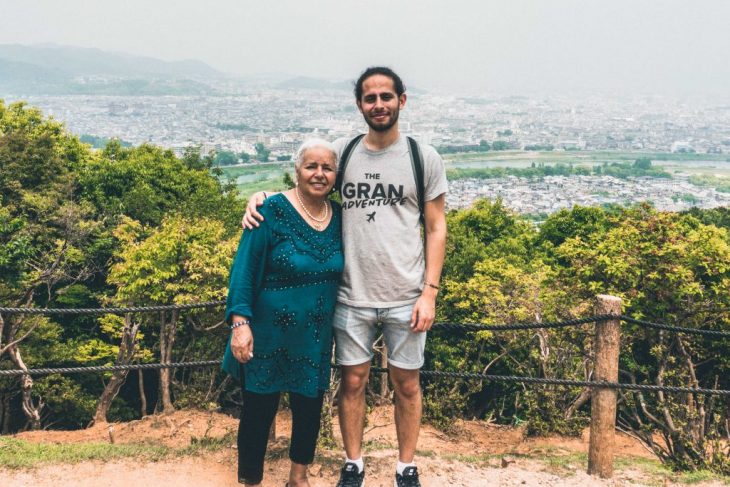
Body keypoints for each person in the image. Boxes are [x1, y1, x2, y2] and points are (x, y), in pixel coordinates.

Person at [244, 66, 447, 487]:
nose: (378, 105)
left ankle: (405, 467)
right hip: (350, 294)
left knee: (407, 383)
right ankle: (353, 463)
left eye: (386, 97)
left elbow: (436, 226)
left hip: (406, 293)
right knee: (352, 381)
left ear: (401, 101)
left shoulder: (421, 157)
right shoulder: (344, 152)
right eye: (370, 98)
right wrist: (260, 197)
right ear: (359, 105)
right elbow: (307, 183)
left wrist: (429, 291)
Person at [223, 138, 344, 487]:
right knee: (258, 411)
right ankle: (250, 480)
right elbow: (244, 270)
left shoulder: (340, 217)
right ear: (297, 170)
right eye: (311, 166)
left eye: (327, 168)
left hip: (315, 336)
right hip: (267, 334)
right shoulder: (270, 211)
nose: (319, 174)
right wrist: (240, 324)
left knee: (309, 408)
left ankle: (298, 477)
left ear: (335, 174)